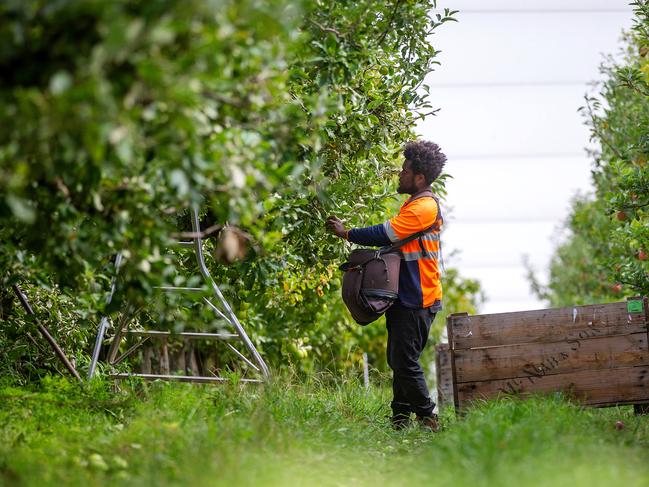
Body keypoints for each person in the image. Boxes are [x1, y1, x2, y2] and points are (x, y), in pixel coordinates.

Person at [325, 140, 446, 431]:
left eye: (404, 170)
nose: (399, 174)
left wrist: (347, 233)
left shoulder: (425, 207)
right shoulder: (415, 204)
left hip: (419, 296)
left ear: (419, 177)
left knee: (402, 361)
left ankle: (428, 418)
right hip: (407, 295)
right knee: (403, 359)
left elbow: (386, 233)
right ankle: (399, 421)